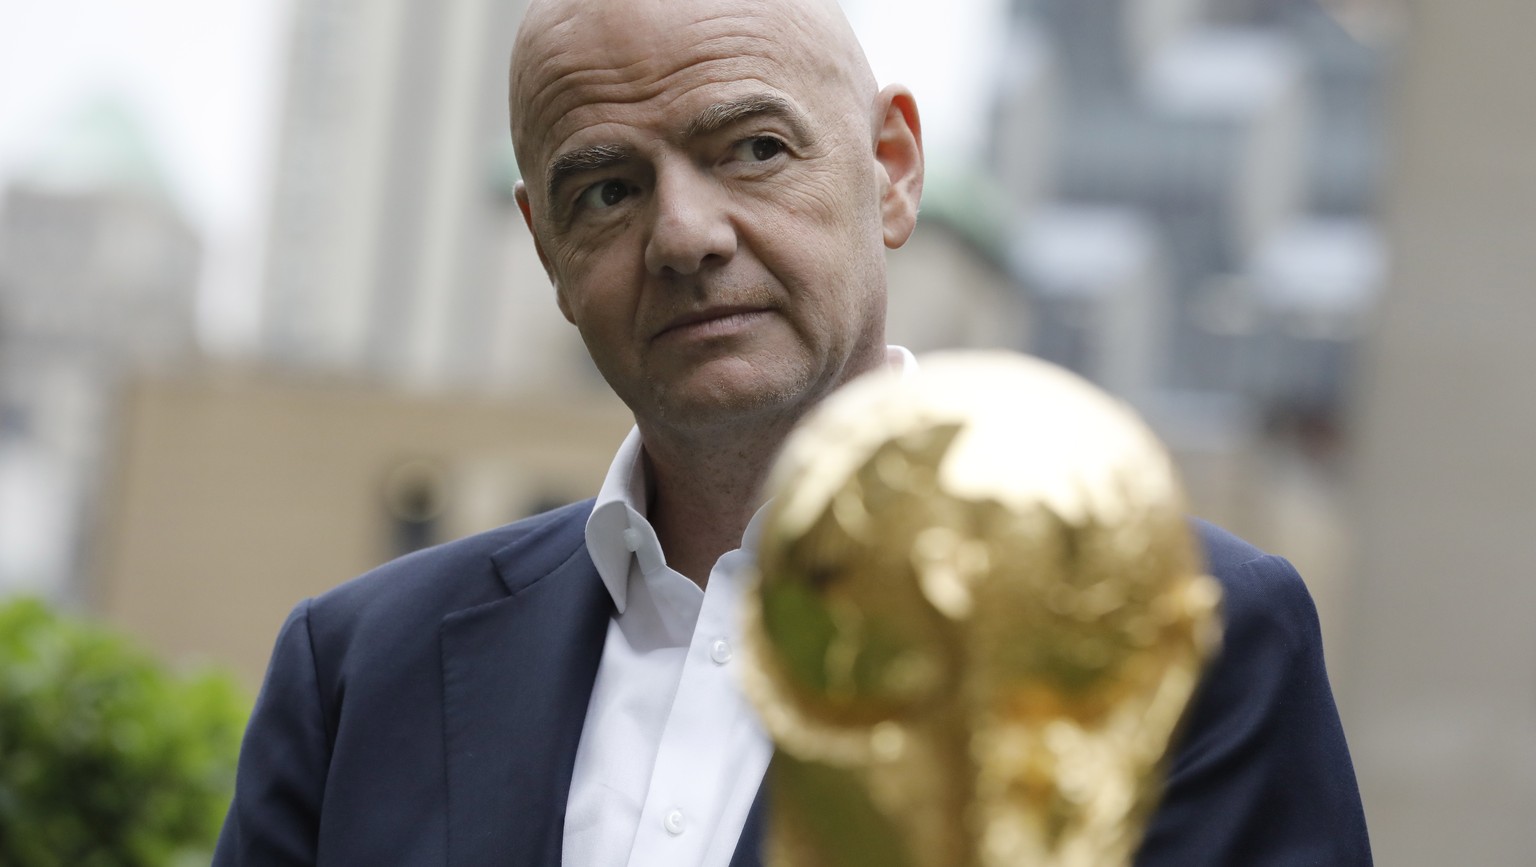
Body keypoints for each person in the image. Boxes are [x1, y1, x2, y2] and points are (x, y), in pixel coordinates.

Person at [214, 0, 1372, 864]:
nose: (684, 235)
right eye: (606, 189)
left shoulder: (1177, 636)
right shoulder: (360, 670)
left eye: (752, 149)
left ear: (894, 171)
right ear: (546, 250)